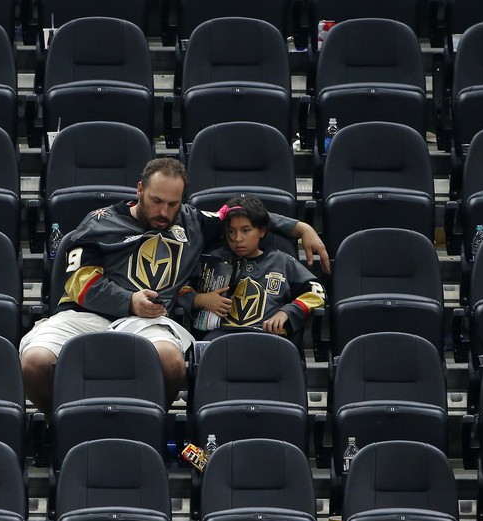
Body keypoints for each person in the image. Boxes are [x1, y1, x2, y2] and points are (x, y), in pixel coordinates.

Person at [19, 158, 328, 417]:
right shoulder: (100, 222)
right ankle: (58, 424)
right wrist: (129, 301)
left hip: (148, 319)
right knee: (34, 363)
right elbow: (79, 282)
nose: (164, 213)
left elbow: (242, 216)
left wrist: (301, 228)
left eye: (173, 203)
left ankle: (149, 423)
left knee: (170, 361)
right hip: (86, 313)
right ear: (140, 191)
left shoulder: (192, 220)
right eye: (156, 201)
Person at [195, 196, 326, 339]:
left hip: (266, 336)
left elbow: (317, 291)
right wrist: (201, 299)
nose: (238, 238)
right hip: (220, 337)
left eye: (246, 230)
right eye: (231, 231)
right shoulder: (213, 260)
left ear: (262, 231)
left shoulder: (281, 261)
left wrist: (288, 312)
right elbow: (183, 289)